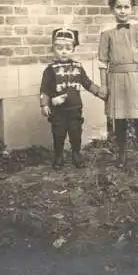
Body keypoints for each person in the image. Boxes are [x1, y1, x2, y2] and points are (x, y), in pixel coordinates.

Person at [98, 0, 138, 169]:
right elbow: (102, 60)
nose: (122, 11)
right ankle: (122, 155)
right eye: (118, 7)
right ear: (112, 9)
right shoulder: (106, 32)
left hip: (137, 79)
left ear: (132, 8)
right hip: (116, 78)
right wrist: (103, 85)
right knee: (120, 120)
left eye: (126, 7)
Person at [40, 27, 107, 170]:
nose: (64, 51)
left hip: (75, 108)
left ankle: (76, 154)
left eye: (68, 48)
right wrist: (46, 104)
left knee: (75, 132)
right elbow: (44, 89)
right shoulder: (50, 69)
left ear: (73, 50)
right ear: (54, 49)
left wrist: (100, 93)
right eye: (59, 48)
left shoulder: (78, 67)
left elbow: (87, 83)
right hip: (57, 110)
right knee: (59, 134)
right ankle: (58, 156)